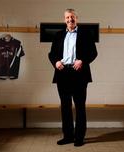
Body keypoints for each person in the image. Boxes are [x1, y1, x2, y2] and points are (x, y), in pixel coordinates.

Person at [48, 8, 97, 147]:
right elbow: (51, 54)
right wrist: (56, 62)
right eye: (67, 17)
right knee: (65, 107)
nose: (70, 20)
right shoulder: (58, 35)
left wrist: (82, 60)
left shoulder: (86, 34)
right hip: (63, 73)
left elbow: (93, 52)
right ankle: (68, 136)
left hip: (79, 74)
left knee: (80, 106)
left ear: (77, 18)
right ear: (64, 20)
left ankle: (79, 137)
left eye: (72, 17)